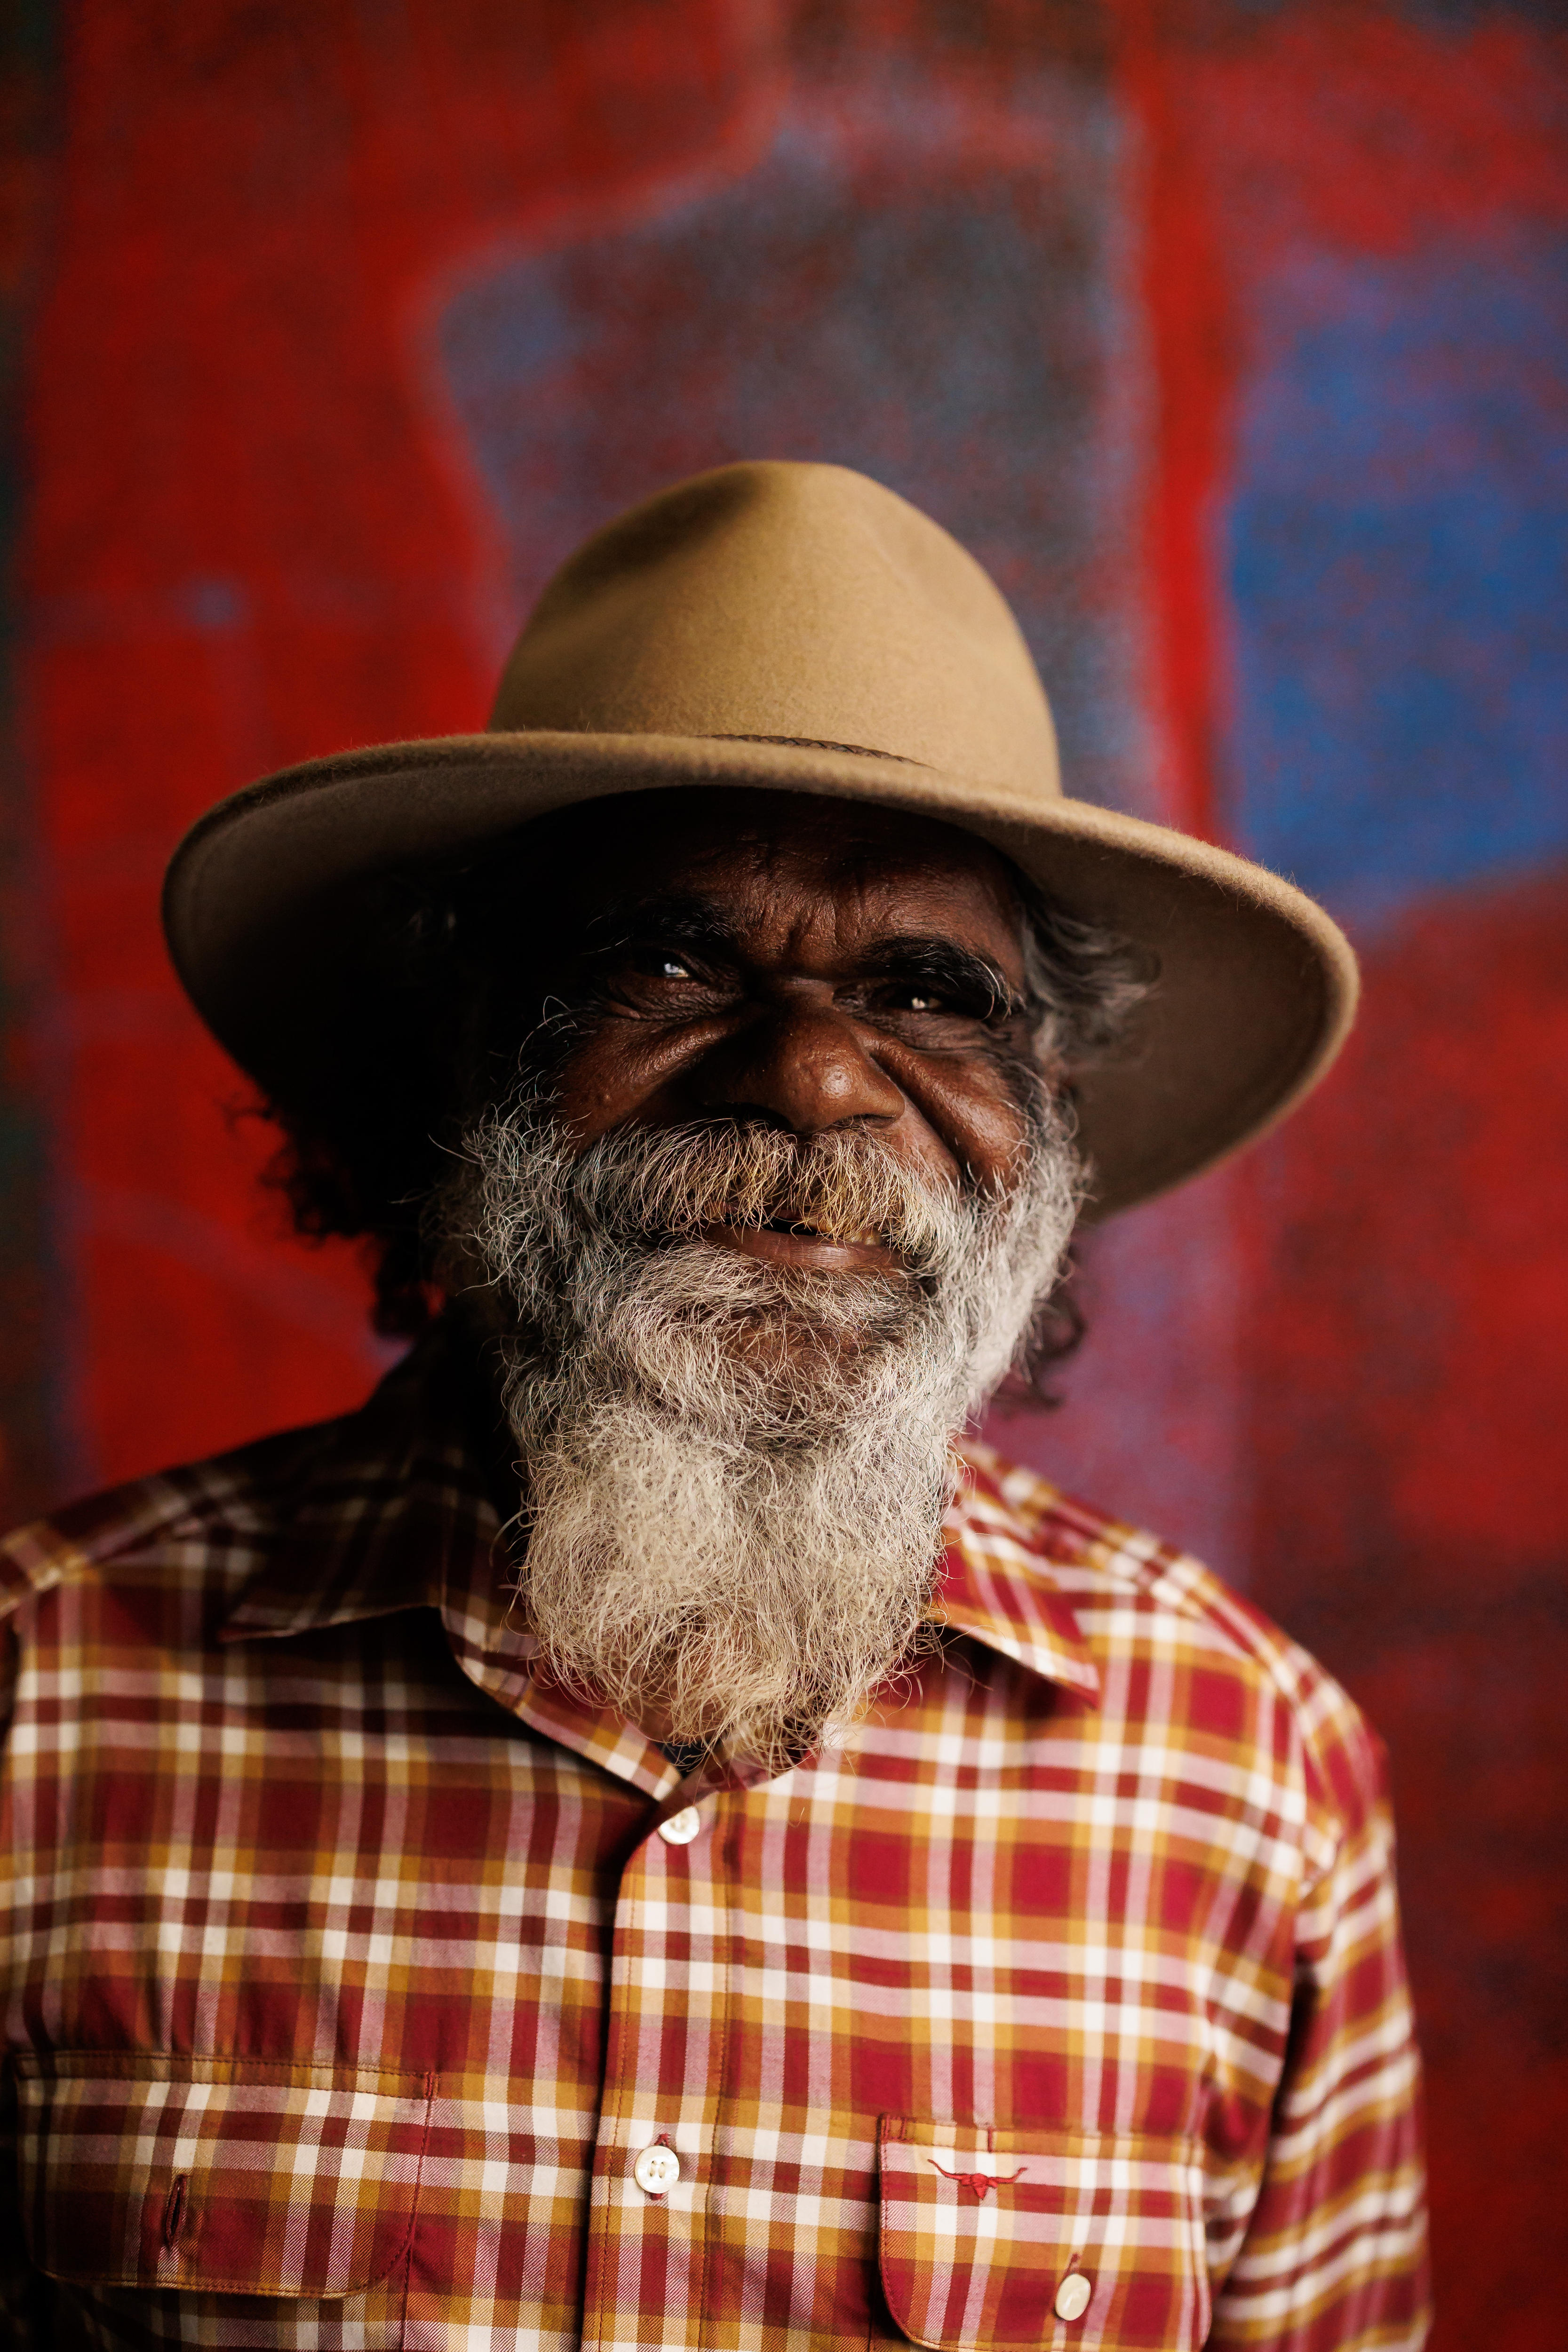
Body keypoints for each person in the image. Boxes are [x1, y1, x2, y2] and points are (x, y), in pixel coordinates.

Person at [0, 463, 1428, 2348]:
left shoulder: (1247, 1780)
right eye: (672, 961)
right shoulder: (44, 1700)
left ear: (1048, 1121)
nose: (818, 1077)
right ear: (464, 1059)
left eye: (932, 994)